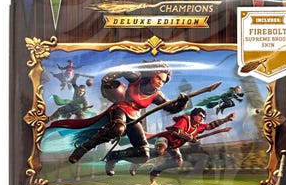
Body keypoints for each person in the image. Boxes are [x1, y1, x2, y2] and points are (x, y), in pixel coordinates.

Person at [49, 61, 189, 176]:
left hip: (134, 117)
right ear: (151, 74)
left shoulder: (158, 96)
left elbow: (172, 108)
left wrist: (182, 102)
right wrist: (107, 79)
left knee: (143, 154)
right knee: (118, 129)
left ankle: (113, 157)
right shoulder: (136, 79)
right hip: (120, 108)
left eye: (163, 81)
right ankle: (83, 149)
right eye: (158, 78)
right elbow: (123, 70)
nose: (160, 83)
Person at [146, 107, 235, 181]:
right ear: (193, 115)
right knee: (160, 150)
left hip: (174, 146)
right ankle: (142, 157)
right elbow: (177, 131)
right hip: (166, 139)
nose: (202, 118)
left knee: (177, 162)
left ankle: (156, 170)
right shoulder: (185, 120)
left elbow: (210, 126)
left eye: (203, 117)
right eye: (200, 116)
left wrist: (225, 119)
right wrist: (190, 137)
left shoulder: (199, 127)